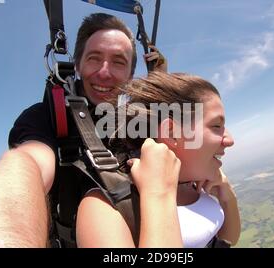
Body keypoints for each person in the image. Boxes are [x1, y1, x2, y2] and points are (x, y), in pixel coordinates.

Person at [0, 13, 168, 248]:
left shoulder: (134, 121)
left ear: (131, 75)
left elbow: (173, 129)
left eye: (118, 62)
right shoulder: (46, 118)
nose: (104, 72)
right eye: (94, 58)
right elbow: (28, 162)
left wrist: (161, 79)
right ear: (77, 66)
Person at [75, 72, 241, 248]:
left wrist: (227, 197)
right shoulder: (103, 208)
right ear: (171, 132)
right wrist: (158, 194)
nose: (229, 139)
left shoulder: (197, 181)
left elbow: (226, 241)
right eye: (216, 126)